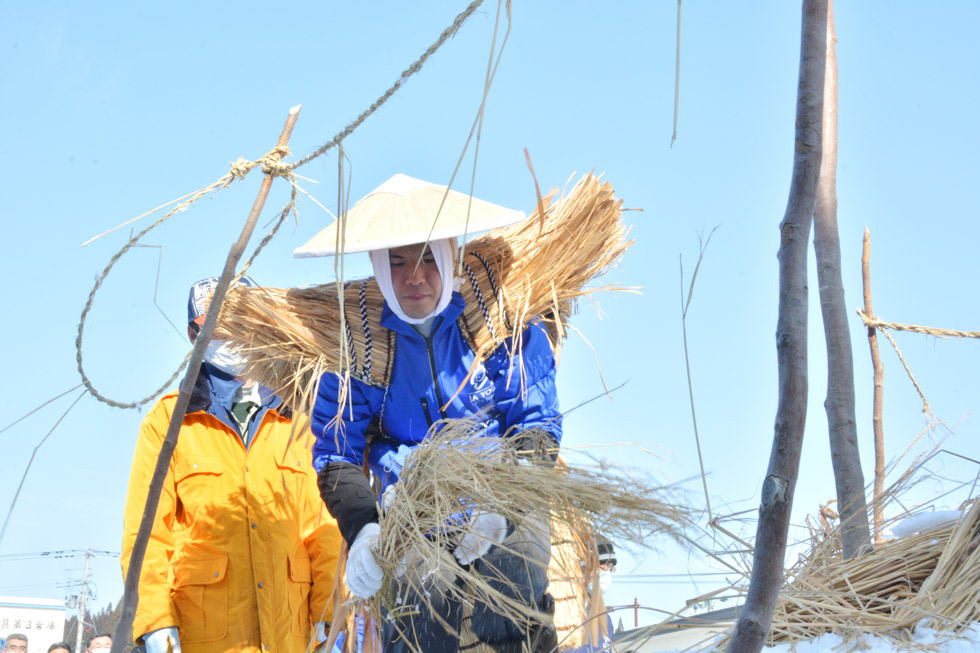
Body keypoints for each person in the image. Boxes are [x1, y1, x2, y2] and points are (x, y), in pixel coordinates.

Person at [299, 174, 563, 652]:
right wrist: (364, 528)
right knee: (420, 603)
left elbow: (536, 422)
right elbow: (336, 454)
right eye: (396, 263)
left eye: (426, 259)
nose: (413, 276)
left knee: (513, 577)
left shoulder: (498, 316)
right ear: (378, 268)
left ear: (449, 255)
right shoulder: (354, 344)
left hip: (502, 497)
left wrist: (503, 506)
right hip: (412, 509)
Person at [121, 277, 344, 653]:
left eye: (238, 322)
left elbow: (323, 528)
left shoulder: (299, 418)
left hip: (290, 636)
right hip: (204, 637)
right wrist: (155, 620)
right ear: (195, 337)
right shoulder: (170, 421)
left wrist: (329, 607)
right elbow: (144, 534)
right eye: (214, 327)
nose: (229, 335)